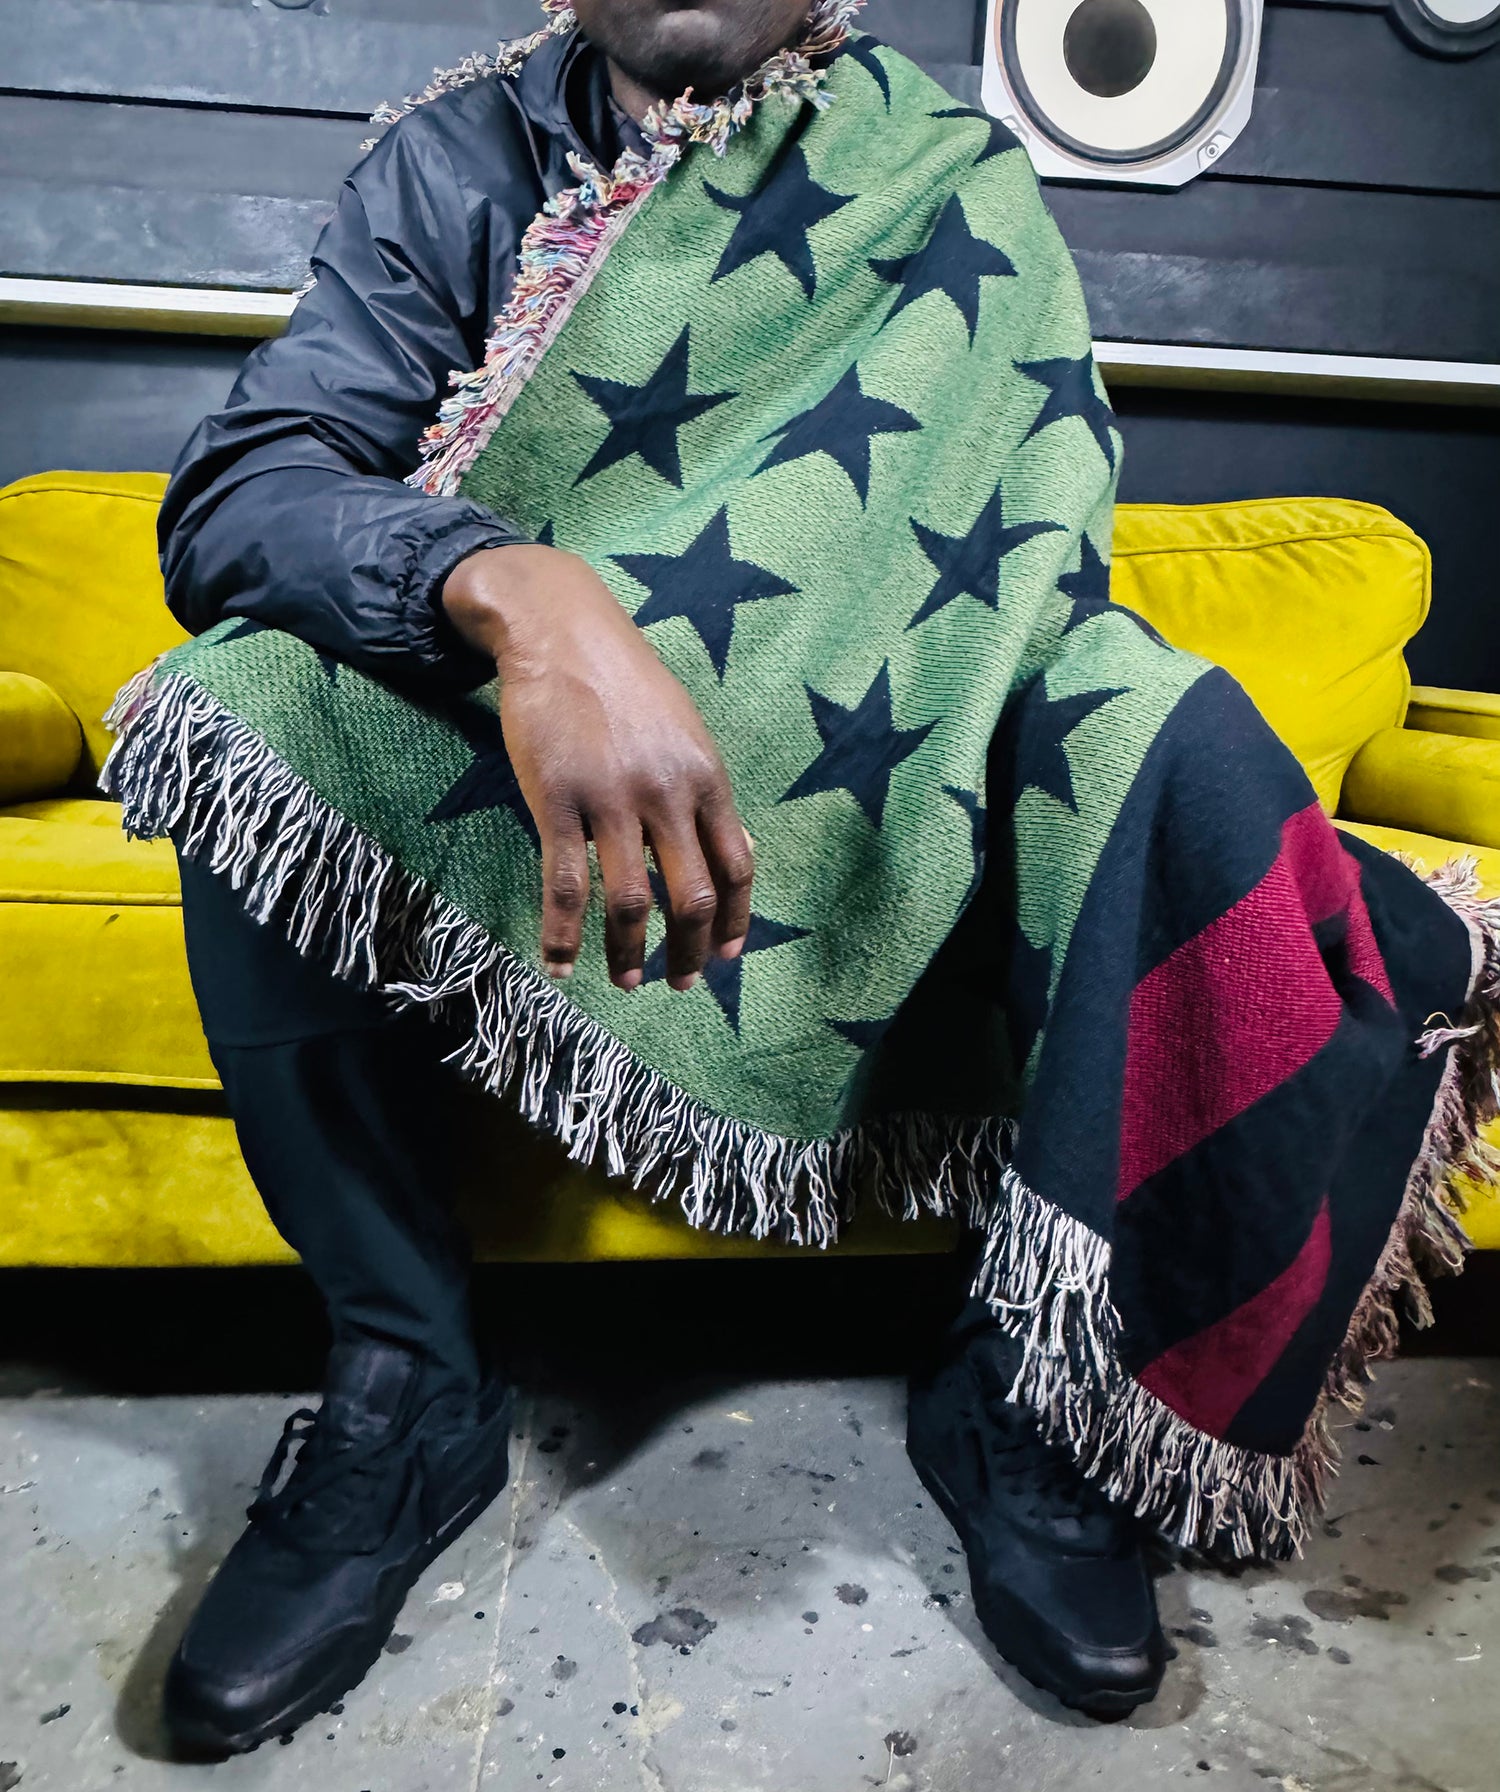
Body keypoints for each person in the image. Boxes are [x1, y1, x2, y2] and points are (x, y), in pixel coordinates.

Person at [111, 0, 1496, 1760]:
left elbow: (1031, 564)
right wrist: (523, 594)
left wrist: (832, 675)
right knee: (238, 700)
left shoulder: (955, 178)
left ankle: (1029, 1392)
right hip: (548, 749)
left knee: (1153, 728)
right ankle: (410, 1379)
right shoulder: (456, 164)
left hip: (898, 738)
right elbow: (246, 492)